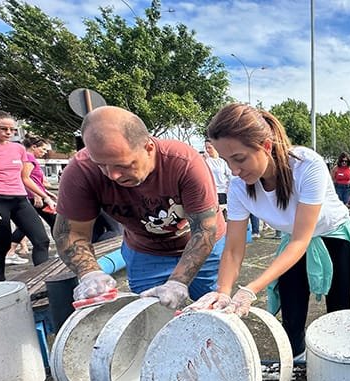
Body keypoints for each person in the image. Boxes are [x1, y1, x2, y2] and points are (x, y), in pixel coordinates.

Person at [188, 103, 350, 360]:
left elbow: (301, 240)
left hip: (332, 237)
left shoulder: (307, 166)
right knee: (292, 311)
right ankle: (295, 362)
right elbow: (232, 249)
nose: (234, 170)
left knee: (337, 312)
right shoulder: (239, 186)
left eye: (239, 158)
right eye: (226, 160)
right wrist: (224, 291)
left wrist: (250, 289)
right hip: (293, 242)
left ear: (265, 146)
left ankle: (336, 362)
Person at [53, 106, 226, 310]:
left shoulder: (183, 163)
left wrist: (178, 281)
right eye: (101, 165)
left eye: (123, 165)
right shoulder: (81, 170)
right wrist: (90, 273)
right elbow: (70, 232)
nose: (112, 175)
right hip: (146, 252)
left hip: (204, 246)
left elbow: (204, 229)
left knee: (213, 311)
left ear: (149, 147)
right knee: (147, 317)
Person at [0, 108, 51, 280]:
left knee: (41, 240)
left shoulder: (18, 149)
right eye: (3, 129)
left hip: (20, 199)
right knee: (2, 246)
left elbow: (25, 178)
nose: (9, 133)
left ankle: (43, 280)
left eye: (12, 130)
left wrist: (45, 196)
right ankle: (1, 283)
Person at [9, 134, 59, 264]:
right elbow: (25, 178)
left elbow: (35, 180)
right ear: (34, 147)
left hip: (35, 195)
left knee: (26, 226)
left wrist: (45, 192)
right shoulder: (29, 157)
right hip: (33, 197)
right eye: (42, 150)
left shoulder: (29, 158)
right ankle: (61, 248)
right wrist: (40, 195)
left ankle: (10, 251)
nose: (44, 153)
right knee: (55, 221)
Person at [202, 138, 232, 217]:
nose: (207, 150)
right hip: (211, 192)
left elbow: (230, 176)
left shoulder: (222, 161)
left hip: (222, 191)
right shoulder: (206, 161)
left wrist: (229, 188)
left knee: (224, 216)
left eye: (209, 147)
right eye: (206, 148)